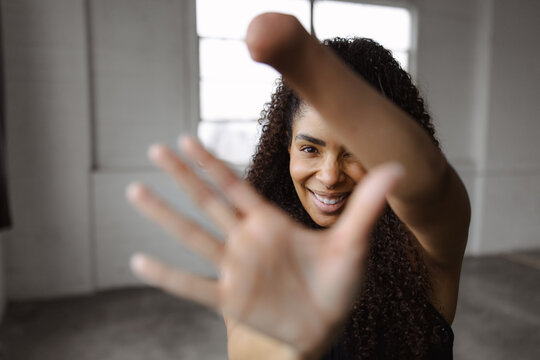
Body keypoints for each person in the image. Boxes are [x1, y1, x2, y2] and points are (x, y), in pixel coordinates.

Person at [126, 13, 470, 360]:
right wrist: (286, 345)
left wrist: (307, 63)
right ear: (286, 147)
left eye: (355, 153)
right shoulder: (266, 253)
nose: (330, 175)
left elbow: (426, 180)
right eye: (310, 149)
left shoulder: (426, 245)